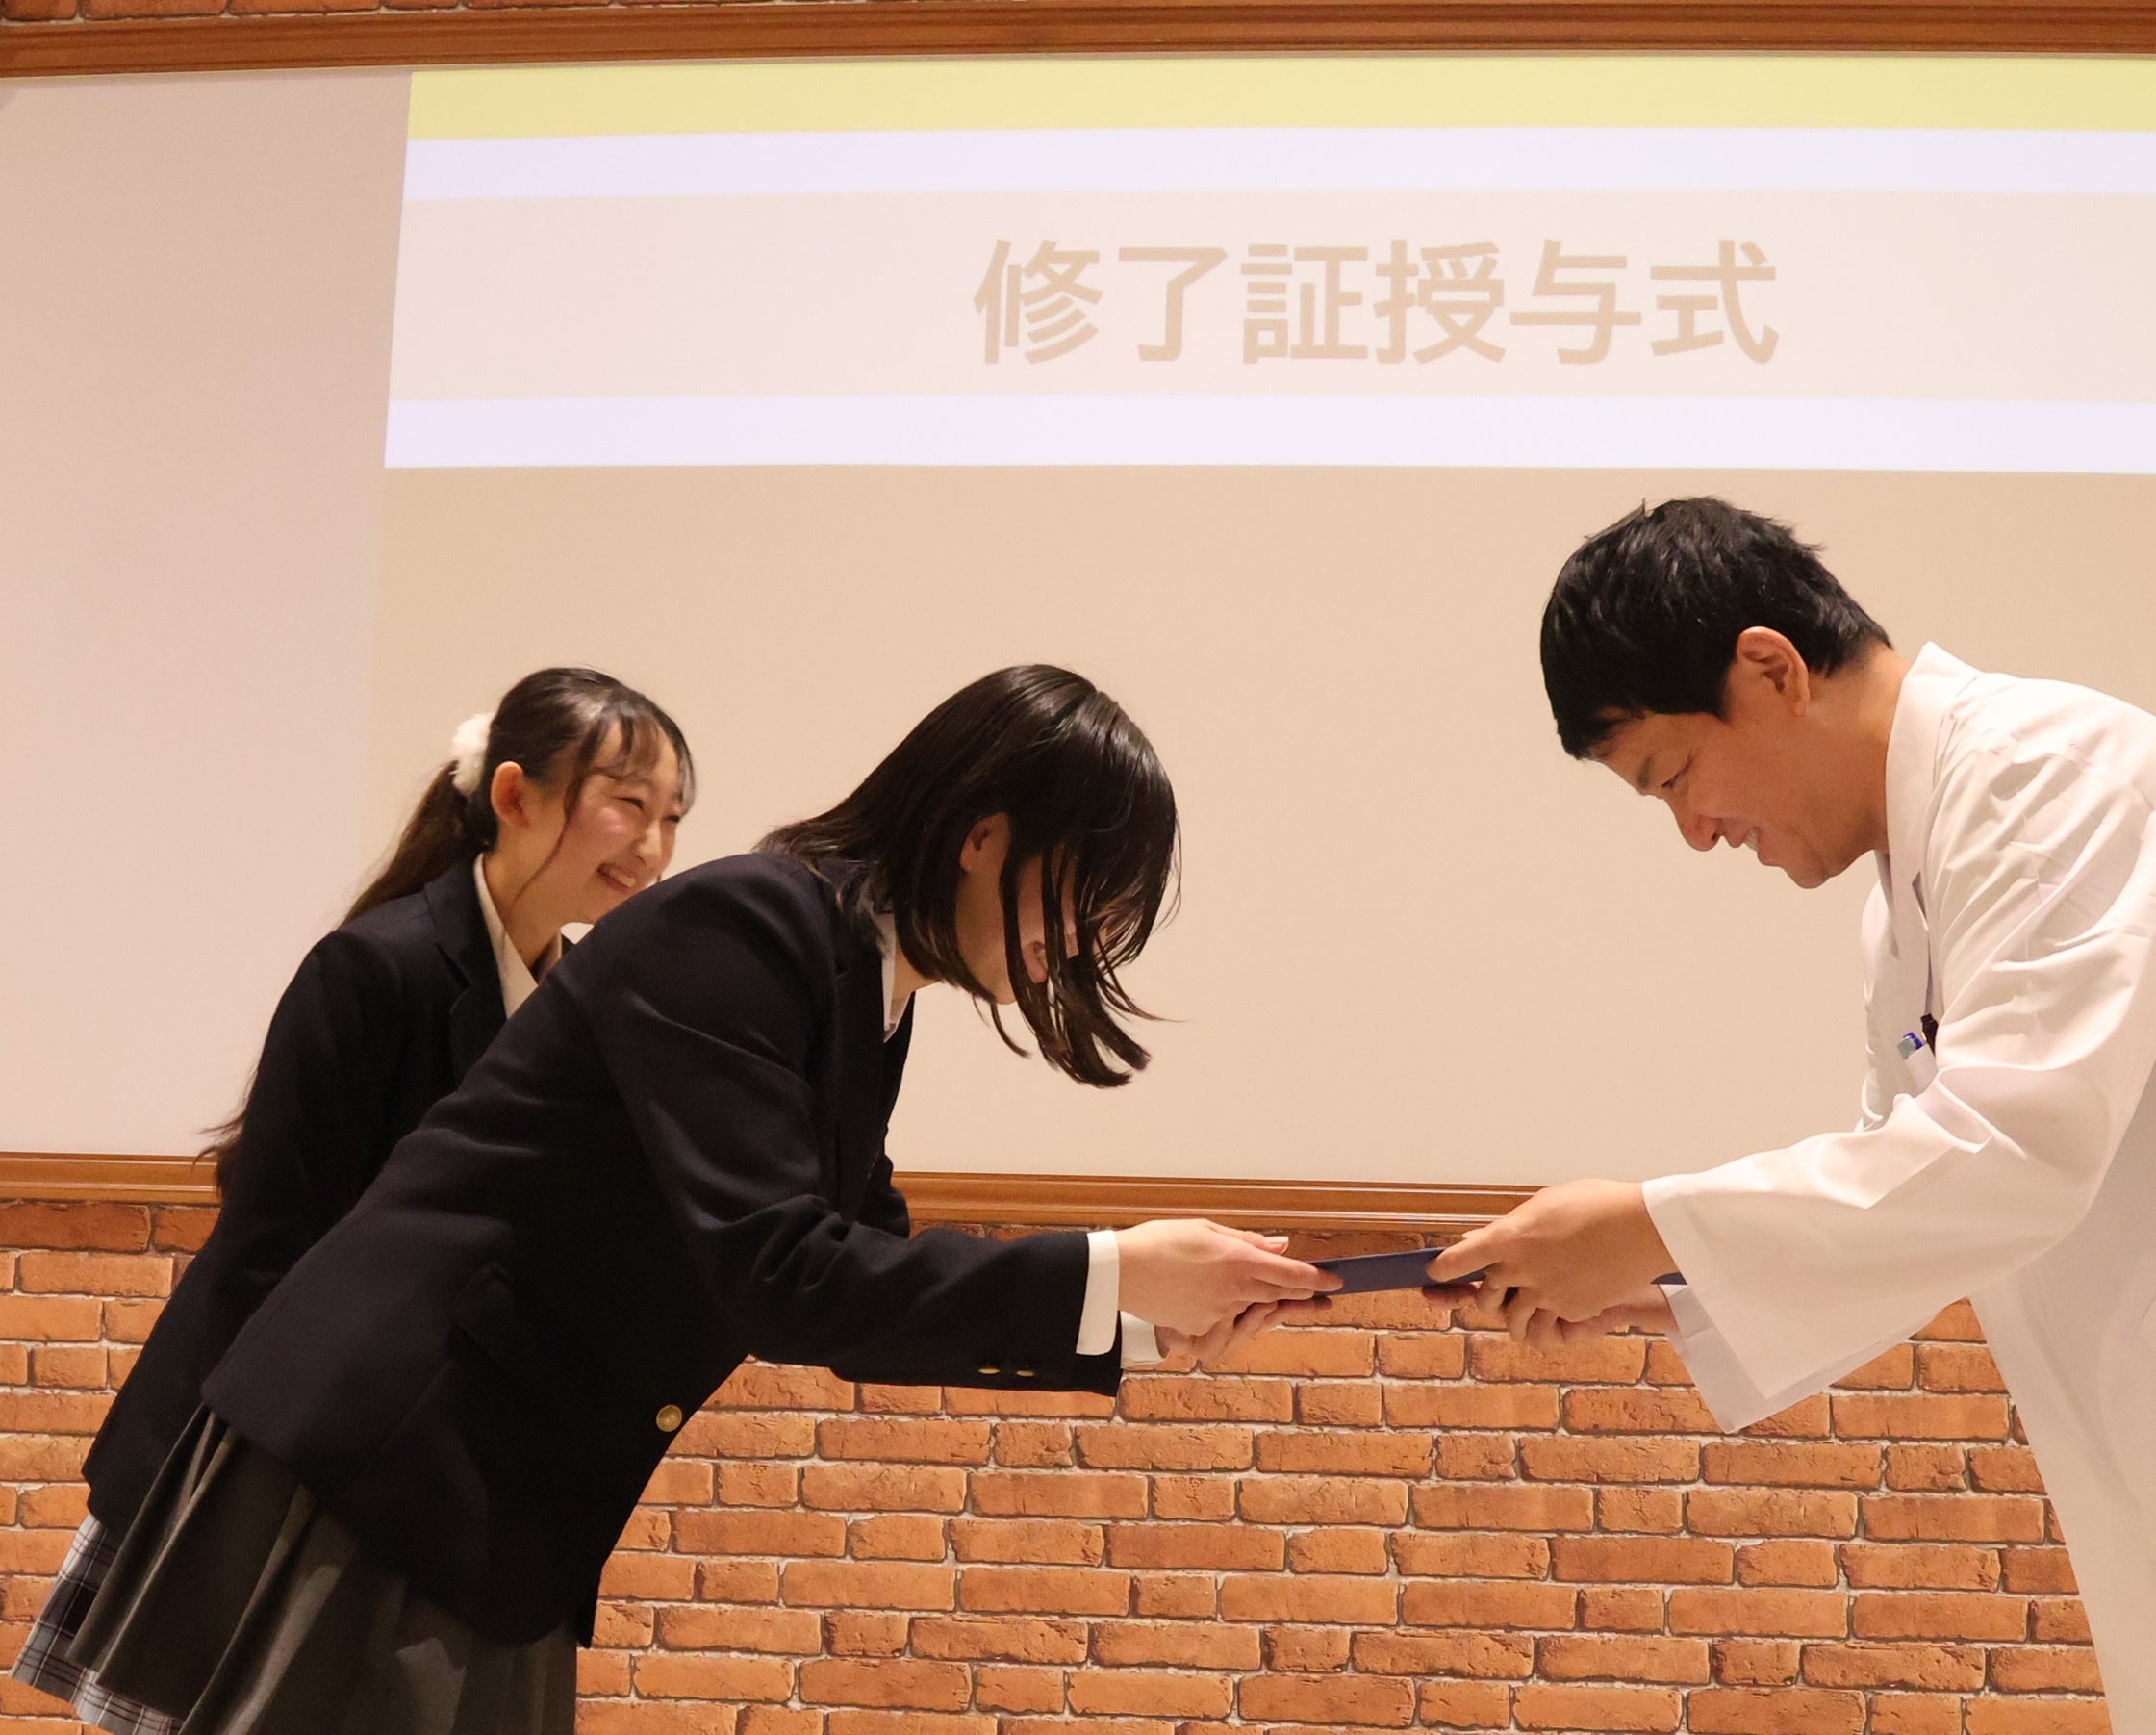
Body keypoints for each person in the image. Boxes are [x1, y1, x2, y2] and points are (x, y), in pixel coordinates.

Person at [1433, 498, 2156, 1735]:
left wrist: (1653, 1226)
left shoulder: (2047, 778)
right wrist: (1663, 1283)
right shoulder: (1908, 902)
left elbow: (2010, 1155)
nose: (1695, 832)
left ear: (1771, 670)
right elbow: (1912, 1207)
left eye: (1674, 776)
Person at [56, 664, 1336, 1735]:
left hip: (481, 1494)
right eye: (1094, 890)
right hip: (388, 1460)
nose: (1096, 937)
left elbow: (860, 1280)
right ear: (985, 835)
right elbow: (786, 1271)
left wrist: (1144, 1315)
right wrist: (1115, 1268)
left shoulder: (861, 982)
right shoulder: (752, 923)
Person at [13, 667, 693, 1735]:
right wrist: (238, 1491)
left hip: (407, 1461)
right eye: (627, 803)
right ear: (514, 796)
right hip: (273, 1445)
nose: (651, 846)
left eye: (673, 817)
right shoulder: (377, 966)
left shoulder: (584, 1002)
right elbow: (270, 1247)